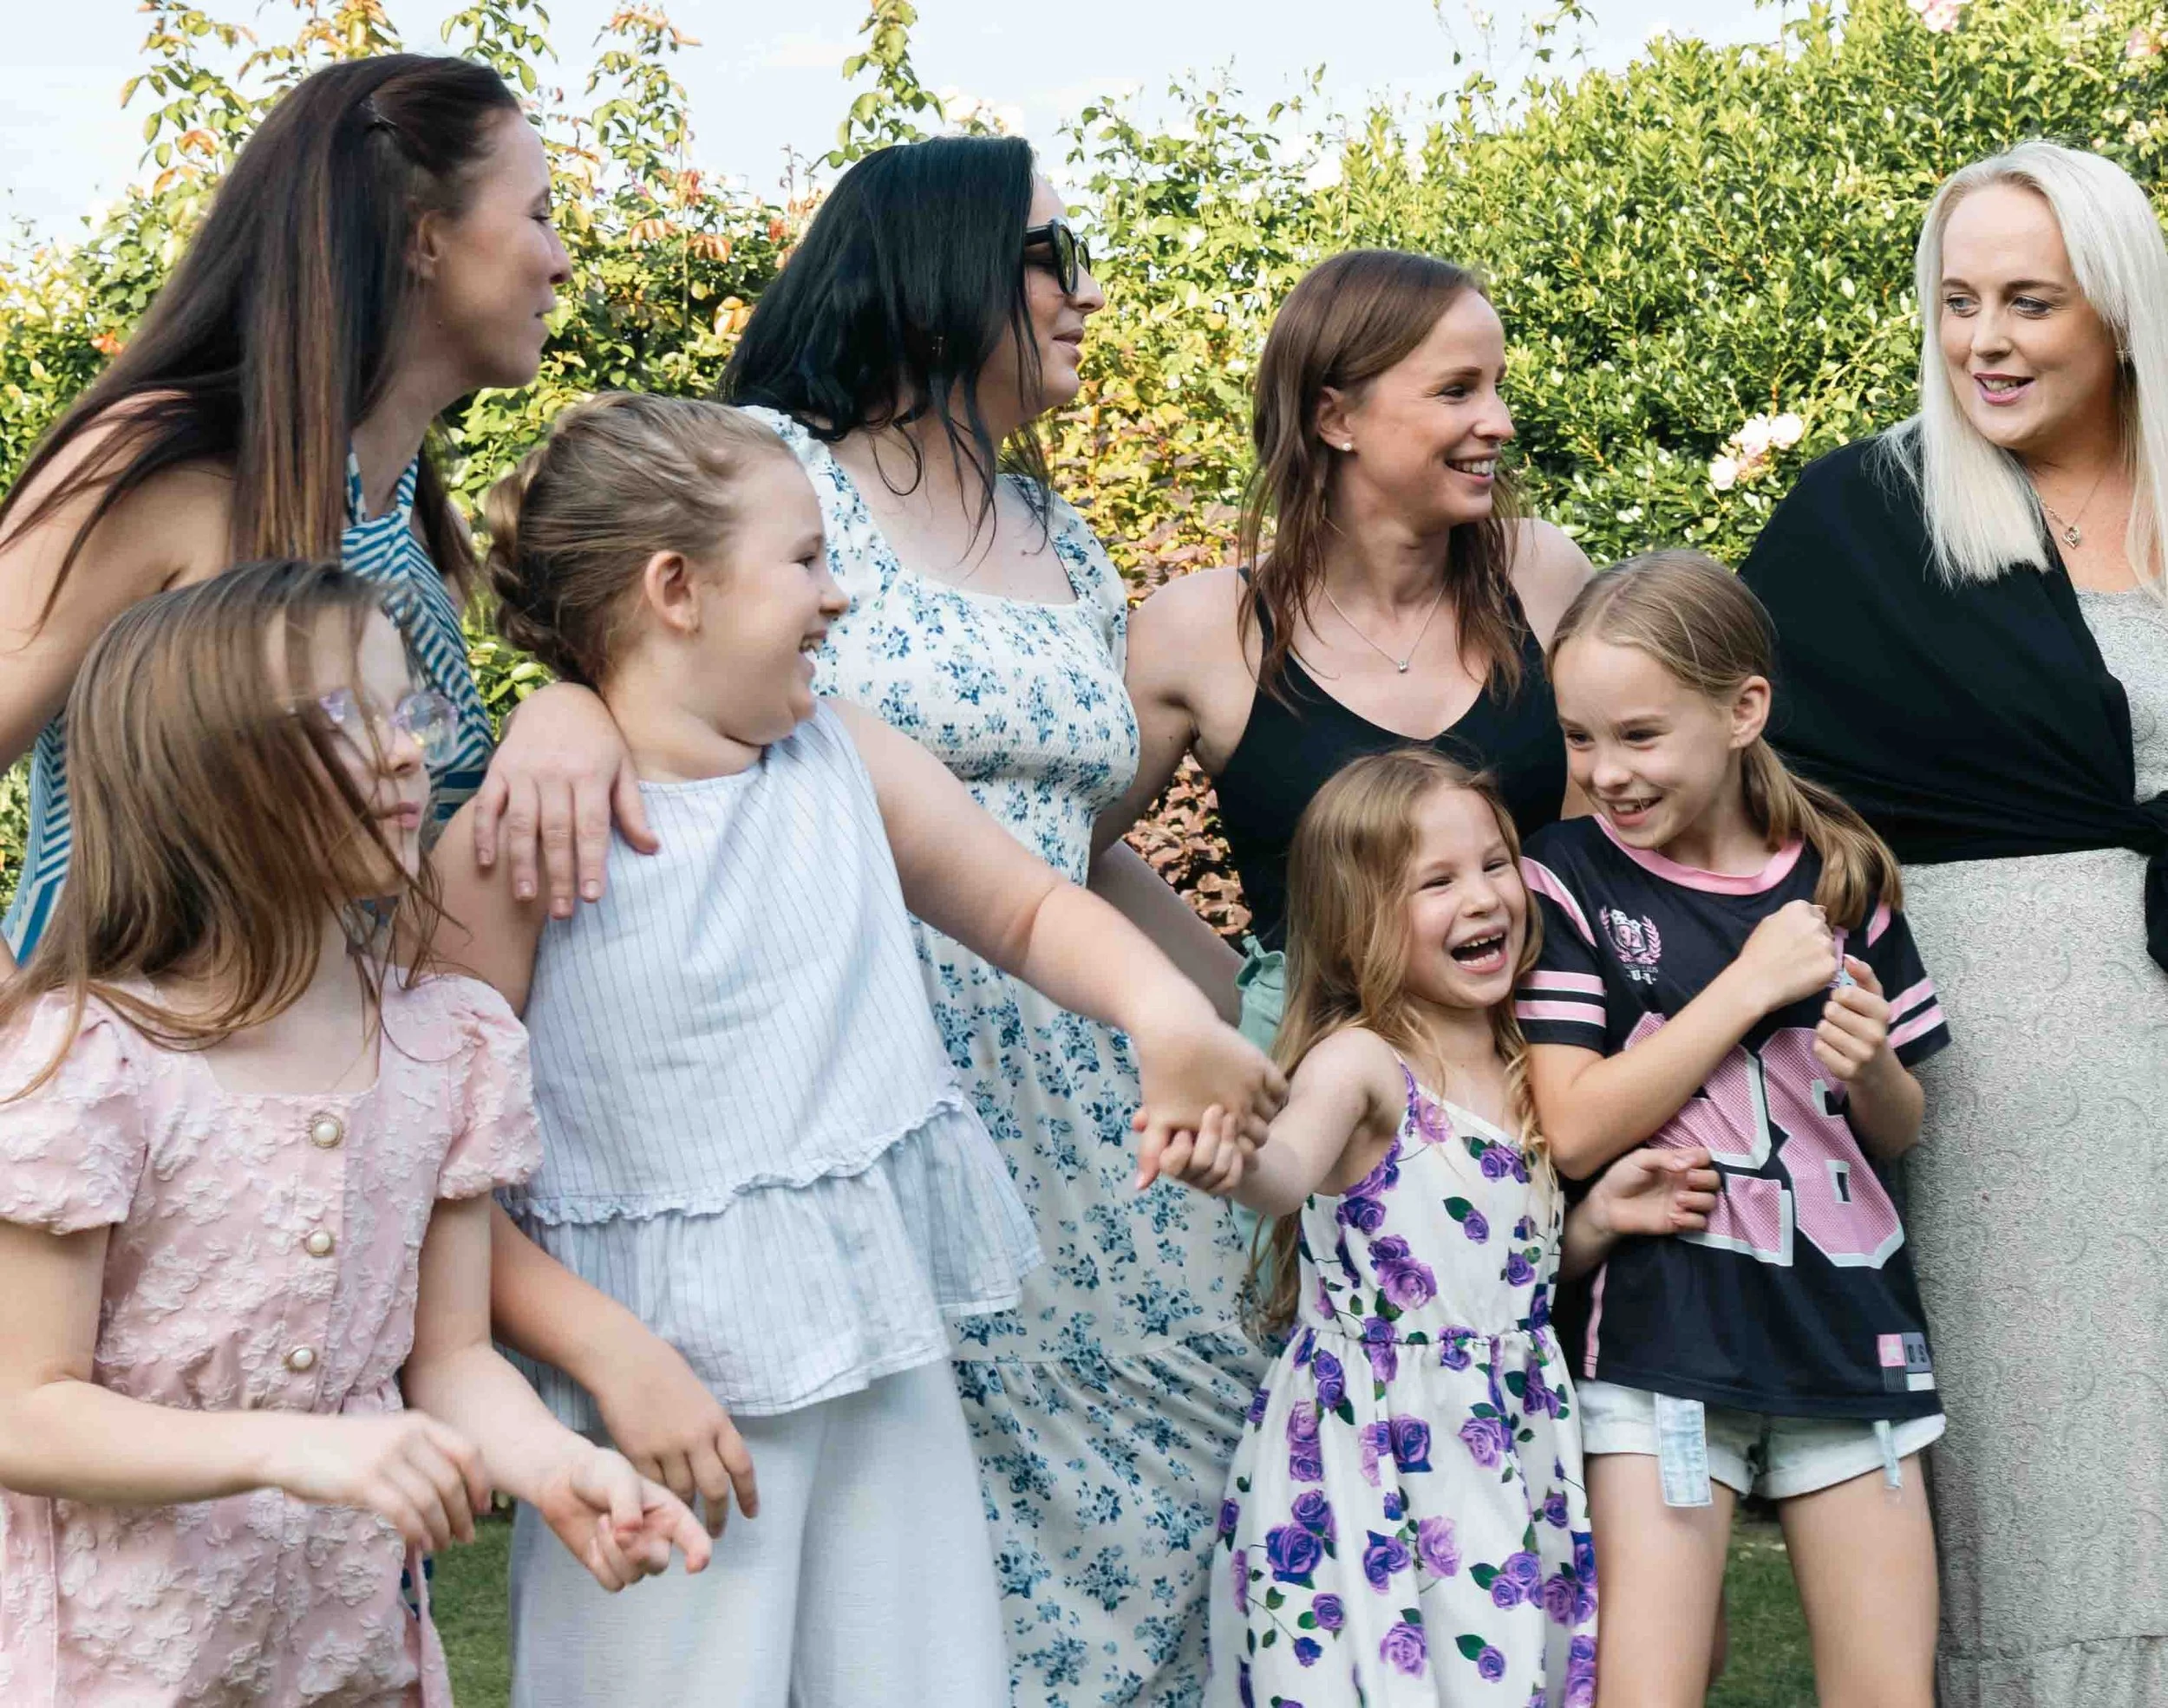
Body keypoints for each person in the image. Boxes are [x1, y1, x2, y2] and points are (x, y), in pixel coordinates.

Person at [428, 393, 1282, 1706]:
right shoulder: (513, 846)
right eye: (806, 559)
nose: (840, 595)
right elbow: (436, 1174)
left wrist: (1165, 1014)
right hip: (656, 1408)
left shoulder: (847, 757)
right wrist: (607, 1353)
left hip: (884, 1361)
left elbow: (1031, 908)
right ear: (676, 589)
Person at [722, 136, 1265, 1703]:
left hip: (1101, 1118)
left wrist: (1260, 1010)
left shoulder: (1062, 536)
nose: (1087, 292)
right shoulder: (772, 472)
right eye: (1053, 254)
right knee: (924, 1576)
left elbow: (1070, 849)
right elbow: (631, 684)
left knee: (1182, 1522)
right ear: (941, 266)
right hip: (883, 1088)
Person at [0, 560, 707, 1707]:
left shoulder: (448, 1044)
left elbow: (452, 1358)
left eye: (405, 709)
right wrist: (292, 1444)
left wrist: (558, 1466)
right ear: (196, 773)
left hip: (344, 1655)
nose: (402, 752)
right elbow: (22, 1406)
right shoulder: (93, 1064)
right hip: (109, 1664)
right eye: (338, 720)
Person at [1738, 140, 2168, 1705]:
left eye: (2030, 302)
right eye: (1958, 299)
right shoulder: (1867, 517)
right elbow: (1724, 765)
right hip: (1995, 1090)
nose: (1984, 339)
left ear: (2120, 312)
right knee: (2048, 1477)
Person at [0, 54, 644, 967]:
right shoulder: (162, 464)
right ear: (425, 238)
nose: (562, 261)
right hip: (105, 1047)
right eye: (538, 215)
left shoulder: (409, 524)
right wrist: (31, 1029)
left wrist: (563, 716)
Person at [1146, 747, 1717, 1707]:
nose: (1484, 897)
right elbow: (1286, 1172)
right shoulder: (1363, 1063)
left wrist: (1596, 1219)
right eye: (1437, 882)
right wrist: (1232, 1161)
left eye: (1495, 864)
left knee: (1498, 1671)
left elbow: (1487, 1280)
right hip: (1374, 1452)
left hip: (1507, 1441)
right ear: (1357, 917)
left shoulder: (1526, 1054)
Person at [1517, 553, 1949, 1707]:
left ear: (1743, 709)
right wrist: (1752, 983)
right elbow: (1573, 1128)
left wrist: (1872, 1068)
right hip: (1661, 1344)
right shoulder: (1563, 878)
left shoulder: (1845, 874)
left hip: (1849, 1334)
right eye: (1579, 737)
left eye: (1639, 735)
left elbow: (1896, 1128)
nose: (1605, 771)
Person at [1107, 248, 1593, 1053]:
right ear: (1336, 420)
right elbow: (1060, 847)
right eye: (1458, 390)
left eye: (1497, 386)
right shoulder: (1204, 630)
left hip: (1555, 1078)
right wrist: (1246, 1002)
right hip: (1333, 1112)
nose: (1500, 421)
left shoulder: (1541, 573)